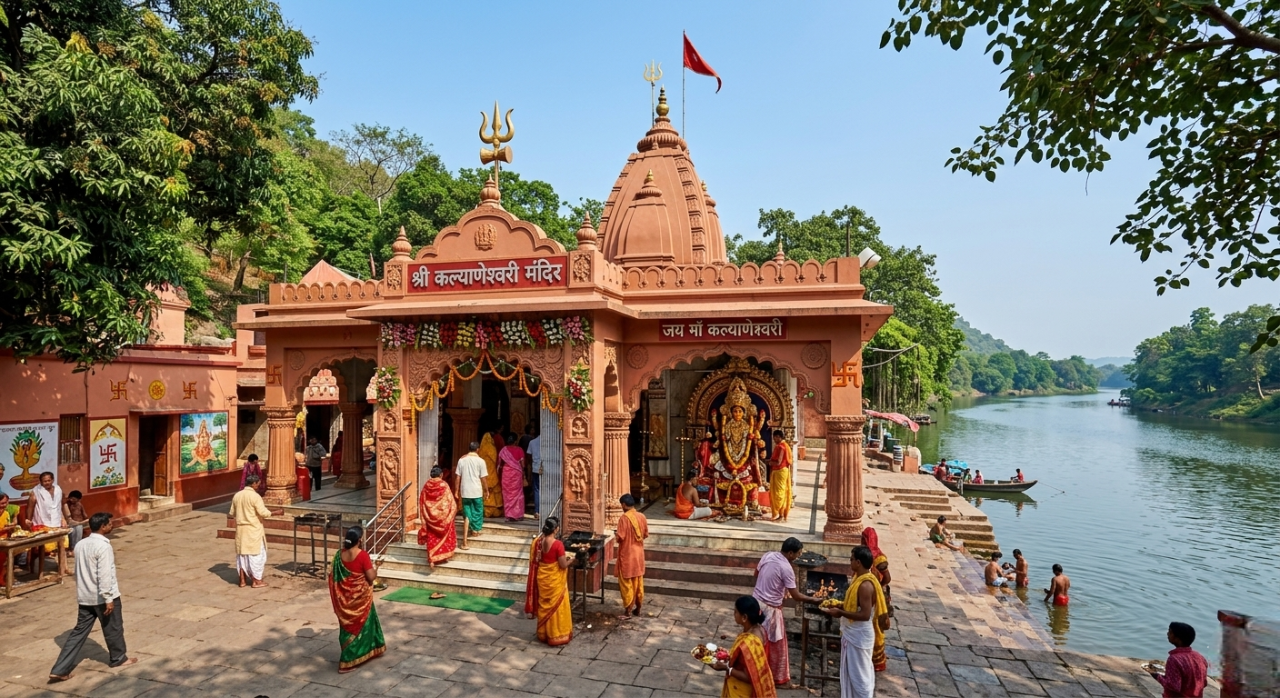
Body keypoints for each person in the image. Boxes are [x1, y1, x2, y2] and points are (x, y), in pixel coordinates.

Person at [49, 512, 137, 681]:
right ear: (103, 527)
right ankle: (119, 658)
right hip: (101, 597)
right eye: (109, 524)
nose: (111, 526)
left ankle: (60, 668)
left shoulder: (81, 544)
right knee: (113, 628)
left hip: (85, 596)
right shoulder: (103, 546)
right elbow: (104, 574)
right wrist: (108, 598)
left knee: (78, 633)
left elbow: (80, 571)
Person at [753, 537, 820, 689]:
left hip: (755, 603)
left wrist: (775, 586)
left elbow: (756, 574)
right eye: (798, 554)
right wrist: (814, 600)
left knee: (756, 640)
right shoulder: (786, 568)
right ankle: (779, 680)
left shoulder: (768, 555)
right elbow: (796, 596)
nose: (798, 557)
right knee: (777, 646)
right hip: (770, 610)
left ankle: (757, 673)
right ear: (790, 553)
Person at [822, 546, 887, 698]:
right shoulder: (858, 578)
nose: (849, 562)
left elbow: (864, 614)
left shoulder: (865, 585)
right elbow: (854, 605)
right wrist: (839, 604)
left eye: (851, 559)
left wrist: (840, 613)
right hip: (854, 632)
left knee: (860, 679)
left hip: (860, 633)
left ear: (858, 562)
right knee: (853, 674)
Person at [329, 526, 386, 673]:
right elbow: (371, 577)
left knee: (350, 628)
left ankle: (370, 651)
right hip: (361, 600)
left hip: (345, 601)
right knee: (361, 627)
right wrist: (376, 568)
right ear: (359, 540)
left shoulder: (339, 555)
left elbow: (334, 578)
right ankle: (347, 661)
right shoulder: (362, 556)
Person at [711, 596, 776, 697]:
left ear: (744, 617)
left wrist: (727, 668)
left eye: (736, 612)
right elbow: (745, 659)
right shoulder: (760, 629)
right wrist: (727, 654)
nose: (734, 614)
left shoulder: (750, 642)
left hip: (743, 691)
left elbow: (749, 676)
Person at [524, 516, 572, 646]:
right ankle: (556, 634)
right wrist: (571, 559)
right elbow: (562, 565)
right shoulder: (558, 544)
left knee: (544, 604)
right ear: (556, 529)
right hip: (554, 580)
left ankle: (544, 633)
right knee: (557, 606)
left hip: (543, 577)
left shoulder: (538, 542)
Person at [229, 474, 273, 588]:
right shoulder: (255, 496)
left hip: (241, 529)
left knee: (242, 555)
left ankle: (242, 581)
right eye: (258, 483)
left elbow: (232, 513)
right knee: (256, 555)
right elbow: (263, 513)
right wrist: (274, 512)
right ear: (253, 484)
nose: (259, 485)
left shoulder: (237, 495)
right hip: (253, 529)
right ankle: (256, 581)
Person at [1147, 622, 1208, 698]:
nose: (1167, 634)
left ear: (1177, 638)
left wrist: (1157, 676)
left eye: (1170, 632)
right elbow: (1204, 683)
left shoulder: (1174, 659)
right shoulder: (1200, 657)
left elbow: (1173, 686)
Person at [416, 466, 457, 568]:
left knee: (432, 538)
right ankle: (444, 556)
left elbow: (422, 501)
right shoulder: (444, 485)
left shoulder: (426, 486)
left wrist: (427, 514)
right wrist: (448, 513)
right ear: (441, 475)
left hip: (430, 517)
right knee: (444, 536)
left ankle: (432, 560)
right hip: (443, 518)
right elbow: (450, 502)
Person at [615, 494, 648, 618]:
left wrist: (616, 535)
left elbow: (620, 537)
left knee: (626, 582)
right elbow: (645, 534)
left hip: (627, 554)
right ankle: (638, 608)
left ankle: (628, 611)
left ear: (623, 504)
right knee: (638, 581)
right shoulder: (642, 516)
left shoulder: (624, 518)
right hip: (639, 554)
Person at [31, 471, 68, 572]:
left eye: (48, 481)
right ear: (40, 482)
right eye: (44, 481)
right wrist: (28, 520)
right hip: (43, 522)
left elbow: (59, 506)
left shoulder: (58, 489)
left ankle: (64, 568)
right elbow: (30, 505)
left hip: (57, 521)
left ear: (52, 480)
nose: (46, 483)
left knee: (62, 546)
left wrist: (63, 519)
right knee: (43, 548)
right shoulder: (36, 491)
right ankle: (41, 571)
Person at [453, 442, 487, 548]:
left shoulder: (461, 460)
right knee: (477, 511)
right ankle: (475, 531)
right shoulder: (481, 461)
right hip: (476, 491)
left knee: (467, 514)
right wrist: (486, 490)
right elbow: (483, 478)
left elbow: (457, 477)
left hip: (465, 491)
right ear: (478, 449)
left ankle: (465, 539)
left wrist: (456, 490)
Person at [861, 527, 892, 620]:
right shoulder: (863, 554)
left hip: (876, 592)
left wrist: (878, 586)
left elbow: (887, 578)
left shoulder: (879, 558)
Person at [499, 432, 526, 522]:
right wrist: (524, 473)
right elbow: (522, 464)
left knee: (507, 494)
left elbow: (499, 464)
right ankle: (517, 515)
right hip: (516, 473)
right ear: (515, 441)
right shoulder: (519, 450)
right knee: (518, 494)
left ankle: (509, 515)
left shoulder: (503, 450)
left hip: (506, 474)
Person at [767, 429, 793, 522]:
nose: (774, 439)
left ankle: (781, 516)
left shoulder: (781, 447)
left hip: (780, 471)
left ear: (779, 437)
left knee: (779, 494)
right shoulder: (786, 446)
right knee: (781, 492)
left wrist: (769, 462)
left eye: (775, 437)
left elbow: (778, 462)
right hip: (783, 471)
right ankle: (780, 515)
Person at [478, 432, 504, 517]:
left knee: (484, 488)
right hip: (491, 471)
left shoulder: (481, 448)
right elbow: (496, 459)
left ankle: (484, 510)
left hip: (483, 472)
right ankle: (494, 510)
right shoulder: (491, 448)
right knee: (493, 489)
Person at [526, 427, 541, 515]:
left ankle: (537, 511)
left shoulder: (532, 442)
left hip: (536, 468)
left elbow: (528, 456)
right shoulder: (550, 442)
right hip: (549, 469)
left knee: (536, 489)